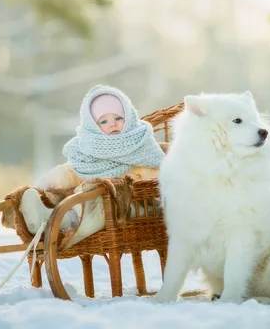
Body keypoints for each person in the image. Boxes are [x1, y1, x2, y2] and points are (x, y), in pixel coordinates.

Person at [19, 85, 165, 240]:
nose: (112, 124)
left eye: (118, 118)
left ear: (128, 118)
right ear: (93, 127)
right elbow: (72, 171)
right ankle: (45, 215)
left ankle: (58, 220)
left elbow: (159, 174)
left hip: (133, 206)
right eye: (104, 121)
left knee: (99, 201)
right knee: (83, 196)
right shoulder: (90, 151)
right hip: (91, 203)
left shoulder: (141, 147)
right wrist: (47, 182)